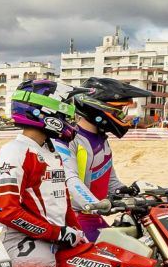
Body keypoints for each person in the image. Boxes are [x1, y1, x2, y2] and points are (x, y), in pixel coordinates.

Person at [0, 79, 93, 267]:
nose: (71, 117)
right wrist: (57, 233)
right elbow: (8, 212)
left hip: (56, 238)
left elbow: (61, 200)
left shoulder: (50, 151)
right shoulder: (13, 152)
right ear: (45, 112)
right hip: (25, 243)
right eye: (66, 110)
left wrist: (77, 232)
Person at [64, 77, 153, 239]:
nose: (122, 116)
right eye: (118, 110)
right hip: (74, 218)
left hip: (94, 215)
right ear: (96, 108)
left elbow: (111, 181)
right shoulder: (70, 139)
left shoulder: (102, 140)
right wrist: (96, 204)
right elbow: (70, 179)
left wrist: (137, 199)